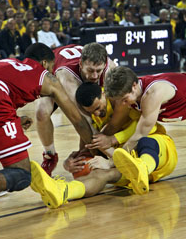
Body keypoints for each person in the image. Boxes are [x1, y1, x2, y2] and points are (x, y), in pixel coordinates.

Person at [0, 43, 95, 227]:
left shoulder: (7, 64)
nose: (52, 72)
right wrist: (99, 150)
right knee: (22, 174)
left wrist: (15, 119)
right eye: (51, 67)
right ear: (44, 63)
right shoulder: (46, 76)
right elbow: (77, 119)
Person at [63, 82, 177, 196]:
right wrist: (70, 163)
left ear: (103, 94)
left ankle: (143, 167)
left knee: (145, 141)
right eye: (91, 111)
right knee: (102, 175)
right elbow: (87, 148)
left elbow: (146, 128)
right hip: (126, 166)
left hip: (159, 153)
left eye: (98, 107)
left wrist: (114, 139)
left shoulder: (122, 98)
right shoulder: (92, 119)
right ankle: (63, 192)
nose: (97, 113)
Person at [103, 66, 186, 168]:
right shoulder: (132, 92)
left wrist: (112, 162)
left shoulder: (152, 94)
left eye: (125, 100)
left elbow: (139, 135)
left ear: (134, 86)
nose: (124, 105)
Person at [36, 43, 123, 176]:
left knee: (111, 108)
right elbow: (81, 123)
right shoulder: (67, 78)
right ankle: (50, 155)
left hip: (75, 65)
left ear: (104, 65)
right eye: (90, 70)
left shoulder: (110, 69)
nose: (94, 76)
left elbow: (122, 108)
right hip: (56, 75)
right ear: (81, 65)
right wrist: (112, 157)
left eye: (98, 71)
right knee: (42, 112)